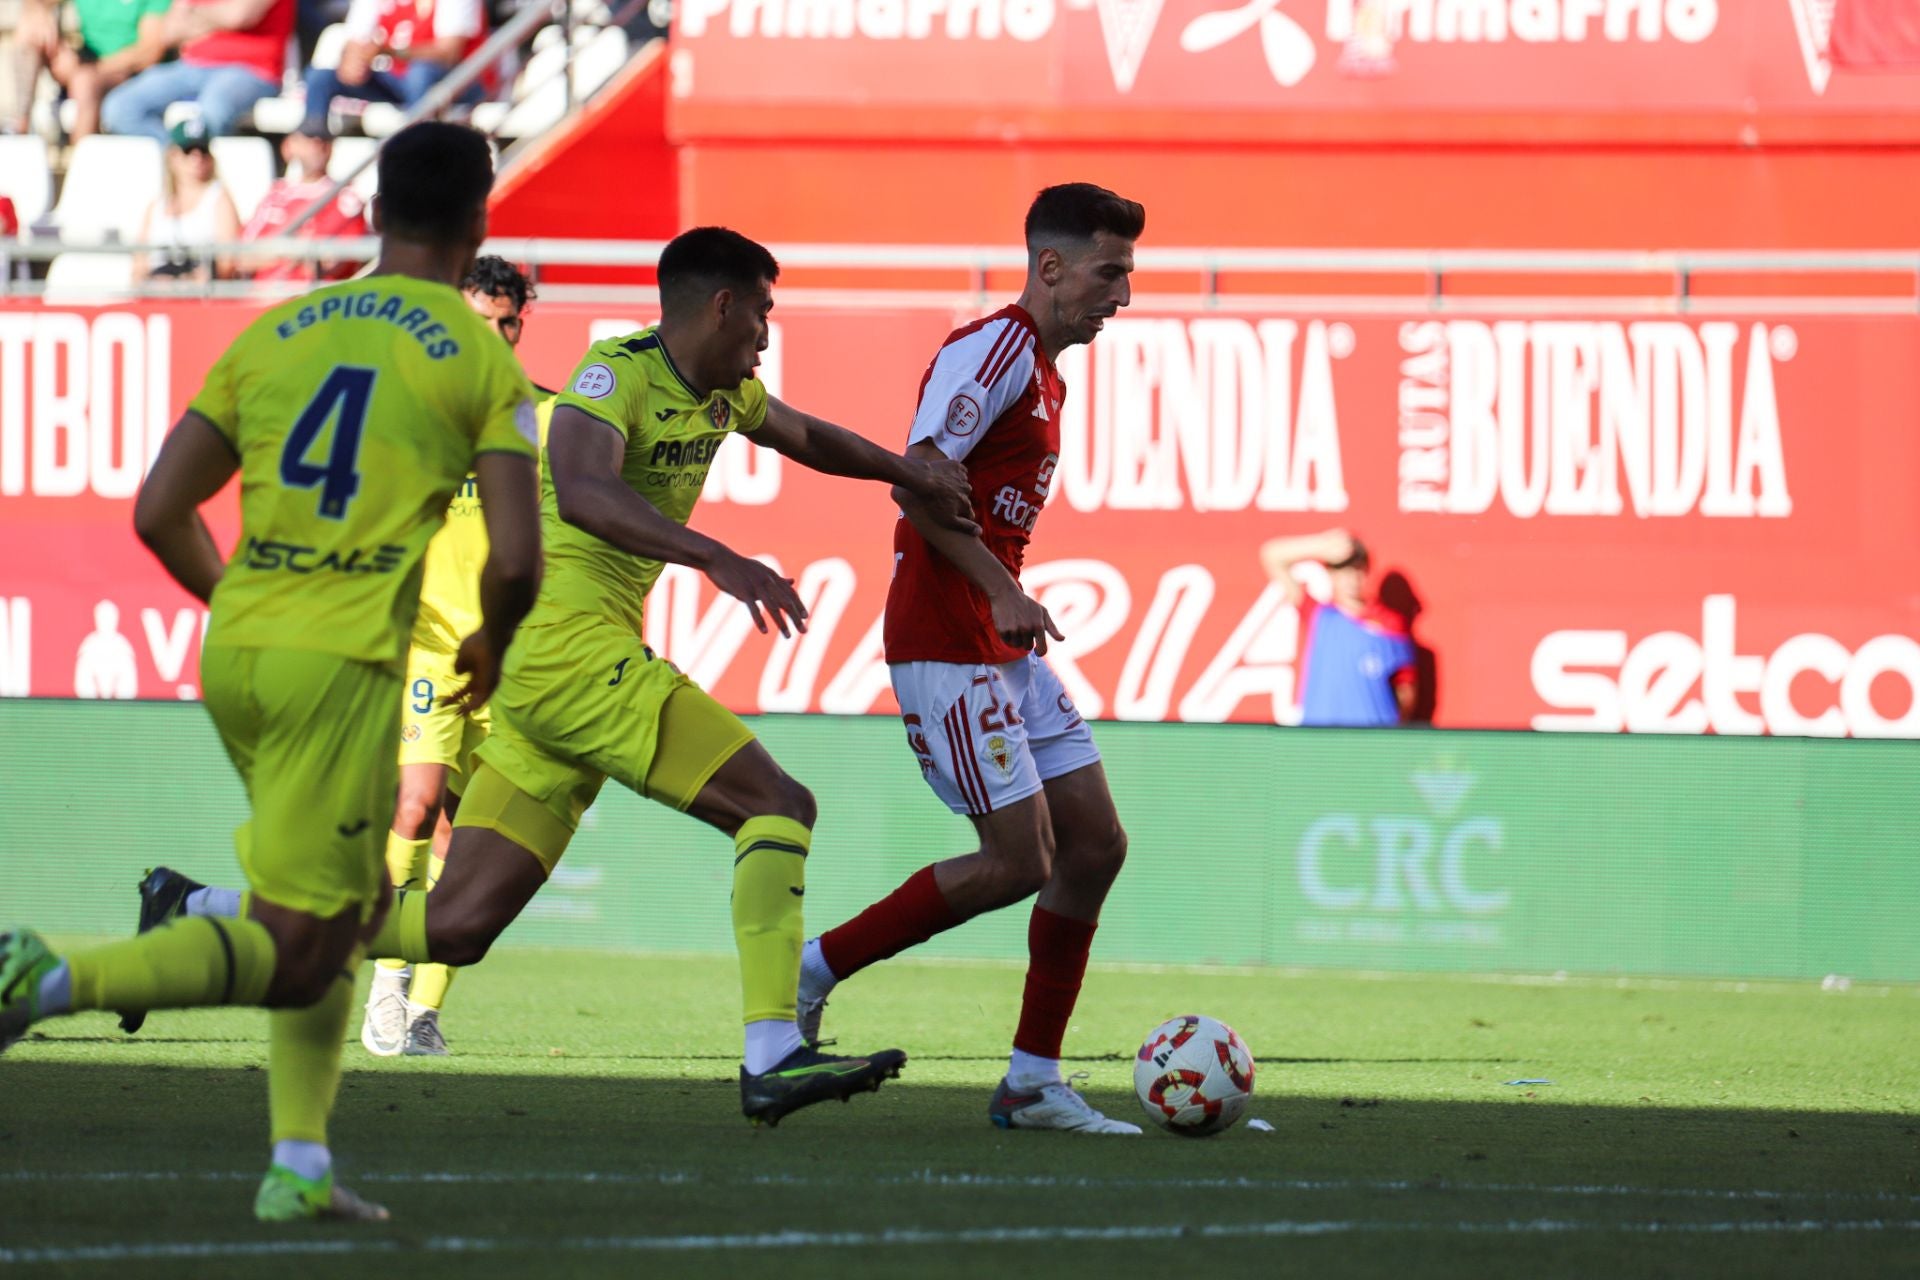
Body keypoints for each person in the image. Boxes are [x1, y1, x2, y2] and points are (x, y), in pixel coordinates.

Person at [129, 225, 982, 1129]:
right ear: (722, 305)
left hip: (549, 674)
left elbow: (806, 435)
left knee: (456, 926)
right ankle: (772, 1050)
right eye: (762, 314)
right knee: (778, 805)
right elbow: (581, 490)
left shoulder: (723, 393)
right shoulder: (614, 374)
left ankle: (195, 907)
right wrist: (715, 555)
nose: (766, 339)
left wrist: (907, 471)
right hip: (569, 648)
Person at [0, 121, 544, 1224]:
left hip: (240, 648)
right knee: (303, 950)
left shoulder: (280, 326)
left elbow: (159, 509)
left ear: (377, 208)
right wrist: (489, 639)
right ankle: (43, 975)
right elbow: (522, 557)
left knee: (334, 915)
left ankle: (299, 1157)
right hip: (339, 670)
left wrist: (248, 604)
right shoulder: (479, 352)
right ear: (477, 220)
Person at [121, 258, 545, 1054]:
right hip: (422, 653)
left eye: (507, 323)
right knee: (412, 810)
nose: (494, 335)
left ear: (523, 323)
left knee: (465, 860)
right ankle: (384, 990)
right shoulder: (413, 407)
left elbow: (545, 544)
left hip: (505, 659)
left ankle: (417, 1009)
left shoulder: (534, 418)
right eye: (480, 319)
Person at [794, 183, 1145, 1136]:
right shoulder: (991, 349)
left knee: (1097, 847)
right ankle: (812, 969)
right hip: (947, 640)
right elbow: (915, 483)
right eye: (1110, 273)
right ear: (1051, 266)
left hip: (1000, 641)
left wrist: (1005, 599)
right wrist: (998, 587)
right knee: (1018, 860)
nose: (1121, 295)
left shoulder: (1045, 369)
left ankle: (1033, 1079)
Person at [1259, 528, 1415, 727]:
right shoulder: (1319, 615)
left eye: (1357, 570)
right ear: (1331, 574)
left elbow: (1406, 691)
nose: (1351, 579)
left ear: (1366, 572)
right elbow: (1271, 555)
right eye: (1343, 571)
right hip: (1319, 739)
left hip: (1373, 740)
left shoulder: (1390, 624)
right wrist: (1320, 546)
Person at [100, 0, 293, 144]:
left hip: (252, 70)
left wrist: (195, 13)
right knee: (120, 107)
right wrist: (220, 17)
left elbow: (239, 16)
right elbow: (170, 32)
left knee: (213, 109)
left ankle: (199, 172)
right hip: (192, 65)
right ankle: (180, 161)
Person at [300, 0, 488, 130]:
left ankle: (416, 148)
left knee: (420, 73)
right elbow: (355, 40)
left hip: (459, 82)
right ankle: (312, 152)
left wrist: (390, 50)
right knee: (320, 77)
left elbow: (448, 53)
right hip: (398, 82)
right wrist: (351, 61)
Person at [10, 0, 171, 139]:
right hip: (87, 63)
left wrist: (96, 68)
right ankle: (19, 130)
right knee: (28, 30)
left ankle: (80, 165)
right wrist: (37, 12)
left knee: (84, 82)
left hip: (131, 73)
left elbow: (150, 51)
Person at [239, 119, 369, 283]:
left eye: (323, 139)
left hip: (314, 300)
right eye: (309, 138)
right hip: (262, 298)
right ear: (289, 146)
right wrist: (291, 250)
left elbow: (331, 262)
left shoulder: (347, 200)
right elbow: (242, 258)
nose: (317, 145)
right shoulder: (276, 195)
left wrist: (274, 252)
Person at [132, 117, 242, 281]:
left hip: (198, 296)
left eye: (203, 151)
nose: (197, 158)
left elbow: (227, 263)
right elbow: (138, 266)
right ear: (173, 156)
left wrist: (185, 283)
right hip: (157, 293)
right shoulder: (156, 206)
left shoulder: (218, 199)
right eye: (188, 151)